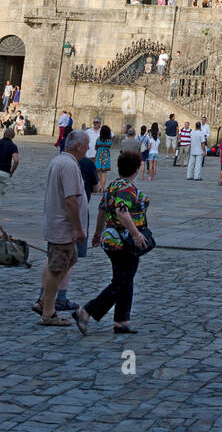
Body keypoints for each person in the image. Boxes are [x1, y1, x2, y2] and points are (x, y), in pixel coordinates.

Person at [72, 151, 150, 337]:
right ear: (137, 169)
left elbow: (101, 210)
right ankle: (87, 311)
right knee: (122, 282)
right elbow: (122, 213)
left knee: (125, 279)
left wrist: (98, 233)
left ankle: (121, 321)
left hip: (111, 239)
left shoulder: (113, 186)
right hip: (125, 242)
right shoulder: (126, 189)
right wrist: (136, 234)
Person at [39, 130, 89, 326]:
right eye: (86, 145)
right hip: (63, 226)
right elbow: (70, 200)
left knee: (70, 259)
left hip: (59, 223)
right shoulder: (68, 165)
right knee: (57, 268)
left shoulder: (60, 160)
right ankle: (48, 311)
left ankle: (45, 301)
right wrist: (78, 229)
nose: (87, 149)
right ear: (78, 146)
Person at [0, 125, 19, 200]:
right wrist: (12, 172)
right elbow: (16, 160)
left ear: (3, 134)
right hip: (4, 172)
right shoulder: (13, 146)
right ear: (13, 137)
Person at [94, 124, 112, 192]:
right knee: (104, 174)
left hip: (98, 157)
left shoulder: (98, 139)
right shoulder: (110, 141)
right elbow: (109, 147)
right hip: (106, 158)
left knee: (98, 173)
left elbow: (96, 148)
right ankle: (102, 189)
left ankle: (99, 187)